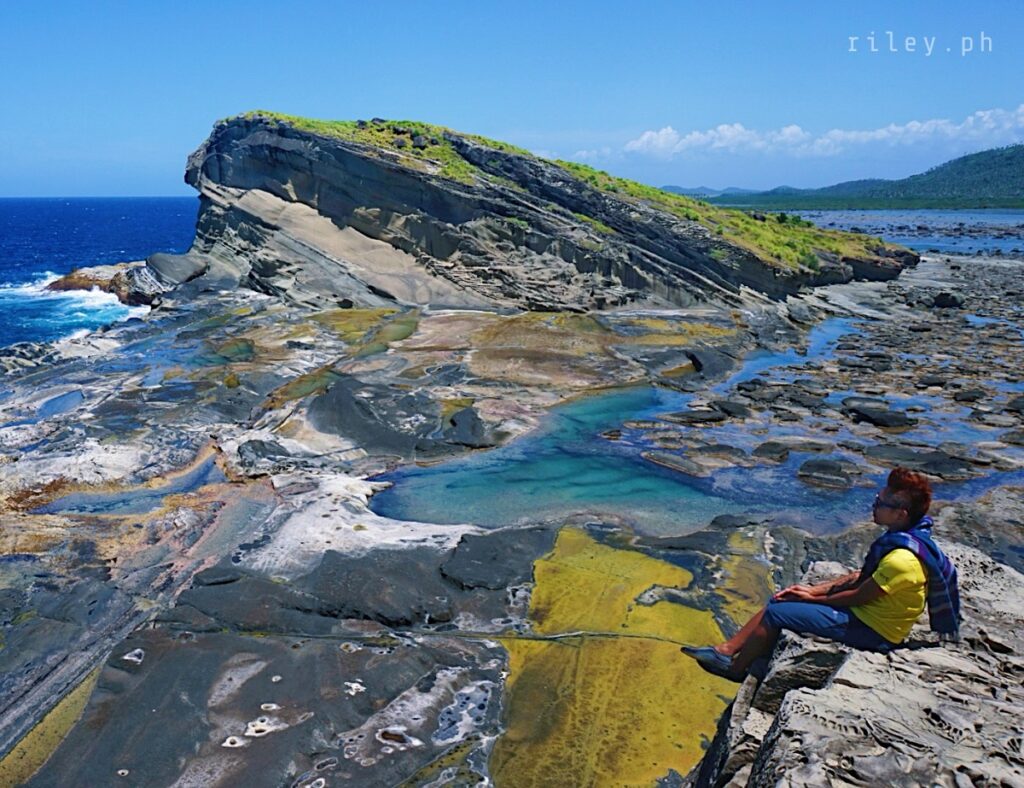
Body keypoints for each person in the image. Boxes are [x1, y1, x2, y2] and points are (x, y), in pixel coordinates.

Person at [682, 467, 961, 681]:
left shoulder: (902, 559)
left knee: (778, 612)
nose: (874, 505)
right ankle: (727, 650)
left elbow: (857, 597)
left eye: (881, 503)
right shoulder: (907, 539)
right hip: (868, 618)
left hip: (873, 631)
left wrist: (811, 600)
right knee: (781, 599)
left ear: (900, 514)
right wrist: (811, 591)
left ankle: (736, 669)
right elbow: (858, 576)